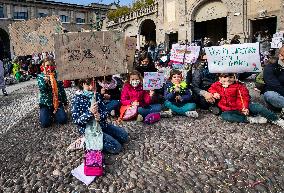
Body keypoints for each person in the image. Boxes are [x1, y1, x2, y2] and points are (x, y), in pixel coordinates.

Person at [71, 78, 128, 154]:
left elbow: (105, 111)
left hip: (102, 125)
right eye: (88, 85)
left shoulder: (97, 95)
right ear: (82, 84)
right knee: (116, 147)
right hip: (89, 130)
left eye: (93, 83)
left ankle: (102, 138)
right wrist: (89, 113)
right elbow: (77, 120)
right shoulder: (77, 99)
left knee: (124, 136)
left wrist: (100, 116)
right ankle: (85, 141)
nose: (91, 87)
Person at [208, 73, 284, 128]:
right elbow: (211, 89)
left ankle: (276, 119)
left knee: (258, 107)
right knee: (225, 116)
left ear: (235, 77)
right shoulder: (216, 84)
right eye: (224, 78)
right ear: (219, 78)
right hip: (228, 110)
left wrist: (244, 107)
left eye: (230, 77)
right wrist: (214, 93)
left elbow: (244, 98)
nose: (228, 79)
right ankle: (250, 119)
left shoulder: (239, 86)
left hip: (243, 106)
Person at [37, 57, 68, 128]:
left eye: (51, 65)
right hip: (45, 104)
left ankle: (55, 113)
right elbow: (43, 89)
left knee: (63, 120)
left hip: (57, 103)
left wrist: (65, 102)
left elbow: (61, 89)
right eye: (47, 65)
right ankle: (47, 113)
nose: (49, 67)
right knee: (45, 124)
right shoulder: (40, 76)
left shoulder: (57, 75)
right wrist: (46, 82)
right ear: (43, 66)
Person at [263, 46, 284, 117]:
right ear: (280, 55)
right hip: (276, 94)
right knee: (270, 95)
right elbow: (275, 86)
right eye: (282, 55)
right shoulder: (270, 67)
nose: (282, 58)